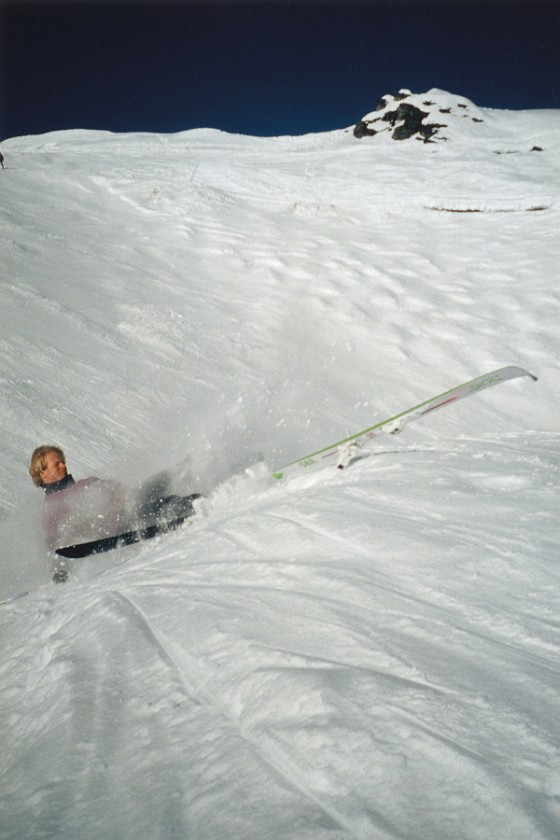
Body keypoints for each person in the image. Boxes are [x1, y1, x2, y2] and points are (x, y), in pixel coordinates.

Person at [29, 445, 200, 570]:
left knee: (159, 480)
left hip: (129, 505)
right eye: (56, 464)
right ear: (42, 473)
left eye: (62, 462)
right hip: (118, 525)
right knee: (161, 506)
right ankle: (199, 504)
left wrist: (128, 494)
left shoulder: (86, 482)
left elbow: (118, 488)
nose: (63, 466)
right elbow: (53, 541)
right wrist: (59, 570)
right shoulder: (52, 506)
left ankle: (198, 464)